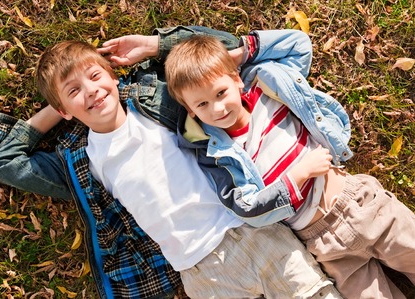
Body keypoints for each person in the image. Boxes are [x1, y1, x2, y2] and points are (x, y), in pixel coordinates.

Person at [0, 27, 342, 299]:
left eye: (94, 77)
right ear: (64, 110)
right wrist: (55, 109)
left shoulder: (156, 98)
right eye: (74, 91)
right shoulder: (80, 163)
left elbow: (215, 50)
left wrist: (153, 45)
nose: (91, 91)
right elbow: (3, 163)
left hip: (248, 230)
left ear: (111, 74)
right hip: (197, 273)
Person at [165, 33, 415, 298]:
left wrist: (235, 56)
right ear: (190, 110)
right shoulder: (216, 154)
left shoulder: (265, 91)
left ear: (236, 79)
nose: (217, 108)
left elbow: (298, 45)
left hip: (358, 202)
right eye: (202, 104)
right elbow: (246, 207)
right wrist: (298, 174)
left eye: (221, 92)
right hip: (322, 244)